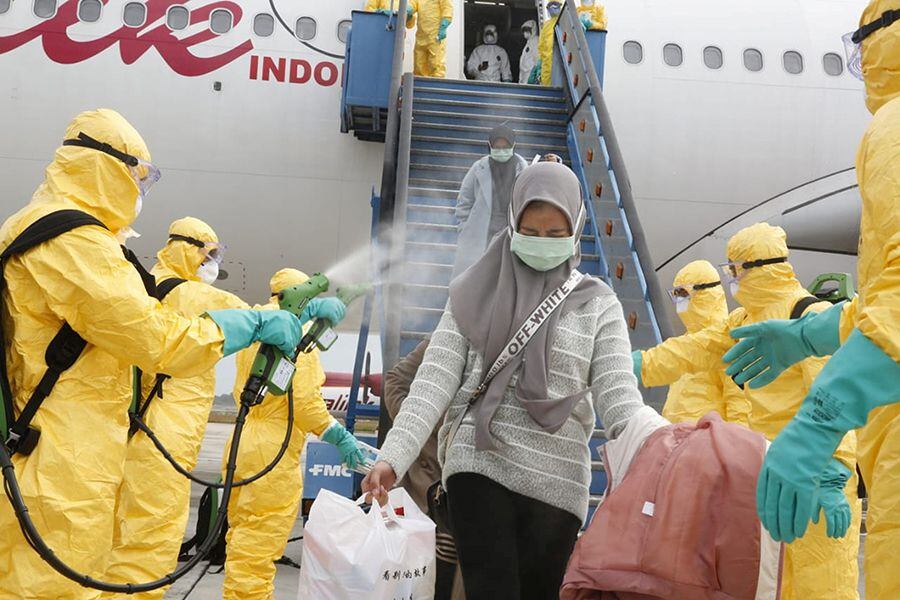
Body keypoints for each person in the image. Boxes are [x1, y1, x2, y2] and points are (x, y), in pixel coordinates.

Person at [0, 109, 302, 599]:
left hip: (53, 441)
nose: (141, 189)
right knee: (53, 586)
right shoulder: (74, 239)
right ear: (107, 166)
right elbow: (153, 337)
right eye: (139, 174)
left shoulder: (47, 228)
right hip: (61, 455)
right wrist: (246, 325)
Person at [364, 162, 646, 599]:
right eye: (531, 231)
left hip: (559, 484)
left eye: (556, 234)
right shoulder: (472, 292)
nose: (542, 242)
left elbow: (618, 396)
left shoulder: (599, 305)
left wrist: (658, 449)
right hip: (479, 465)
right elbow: (432, 383)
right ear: (512, 224)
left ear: (576, 230)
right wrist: (393, 457)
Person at [724, 2, 900, 594]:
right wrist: (807, 335)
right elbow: (880, 305)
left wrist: (817, 431)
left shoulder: (895, 125)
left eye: (862, 42)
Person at [634, 223, 861, 599]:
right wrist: (642, 364)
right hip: (771, 474)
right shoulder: (743, 321)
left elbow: (836, 395)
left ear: (761, 267)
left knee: (822, 582)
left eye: (735, 270)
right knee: (772, 582)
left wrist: (834, 472)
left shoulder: (809, 315)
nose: (732, 280)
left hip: (814, 474)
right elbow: (697, 349)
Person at [100, 217, 247, 598]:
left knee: (122, 538)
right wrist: (294, 310)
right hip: (164, 436)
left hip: (142, 428)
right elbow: (248, 315)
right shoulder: (187, 294)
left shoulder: (148, 283)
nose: (212, 264)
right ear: (188, 249)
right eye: (209, 255)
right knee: (150, 542)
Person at [221, 268, 365, 600]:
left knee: (242, 542)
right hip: (272, 452)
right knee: (258, 549)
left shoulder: (260, 322)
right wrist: (338, 435)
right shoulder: (293, 331)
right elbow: (303, 402)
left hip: (244, 443)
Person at [383, 339, 464, 600]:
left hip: (476, 479)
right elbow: (395, 380)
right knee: (426, 572)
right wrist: (420, 426)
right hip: (429, 483)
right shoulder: (448, 335)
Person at [654, 260, 750, 426]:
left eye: (683, 293)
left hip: (709, 438)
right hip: (679, 436)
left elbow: (740, 403)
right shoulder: (687, 341)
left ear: (705, 294)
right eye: (676, 295)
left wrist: (735, 441)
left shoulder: (724, 340)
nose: (680, 301)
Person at [452, 124, 527, 277]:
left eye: (505, 147)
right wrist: (464, 227)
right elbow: (464, 201)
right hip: (480, 232)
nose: (501, 150)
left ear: (513, 146)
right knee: (474, 278)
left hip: (509, 232)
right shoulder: (478, 168)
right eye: (497, 147)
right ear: (489, 146)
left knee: (504, 277)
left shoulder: (523, 169)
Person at [408, 0, 453, 78]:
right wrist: (409, 8)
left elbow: (447, 7)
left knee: (436, 64)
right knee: (419, 63)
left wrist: (444, 25)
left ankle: (436, 83)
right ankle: (419, 83)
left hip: (435, 36)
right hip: (421, 36)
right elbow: (413, 3)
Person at [536, 0, 563, 85]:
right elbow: (541, 46)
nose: (553, 9)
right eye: (550, 6)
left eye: (556, 6)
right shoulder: (546, 25)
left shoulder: (565, 22)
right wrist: (540, 63)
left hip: (560, 64)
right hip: (547, 66)